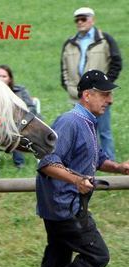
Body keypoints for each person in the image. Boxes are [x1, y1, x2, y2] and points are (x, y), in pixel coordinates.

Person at [12, 70, 129, 267]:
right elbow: (48, 164)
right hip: (66, 207)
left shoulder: (88, 123)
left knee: (56, 263)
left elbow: (96, 158)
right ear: (87, 96)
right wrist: (76, 181)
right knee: (97, 256)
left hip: (64, 205)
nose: (110, 99)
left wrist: (119, 167)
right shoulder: (70, 122)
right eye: (105, 94)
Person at [60, 7, 122, 160]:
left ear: (92, 19)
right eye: (77, 20)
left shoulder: (105, 40)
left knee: (104, 131)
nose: (80, 22)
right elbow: (64, 68)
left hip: (100, 95)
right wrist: (69, 86)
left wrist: (104, 85)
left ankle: (110, 163)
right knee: (80, 130)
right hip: (78, 96)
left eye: (83, 19)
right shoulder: (69, 43)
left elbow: (116, 63)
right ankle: (85, 161)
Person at [0, 65, 41, 169]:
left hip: (25, 123)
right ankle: (19, 164)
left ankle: (21, 164)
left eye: (4, 76)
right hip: (2, 127)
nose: (0, 79)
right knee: (13, 130)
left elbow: (32, 108)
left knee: (16, 129)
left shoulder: (20, 90)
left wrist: (22, 118)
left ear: (10, 78)